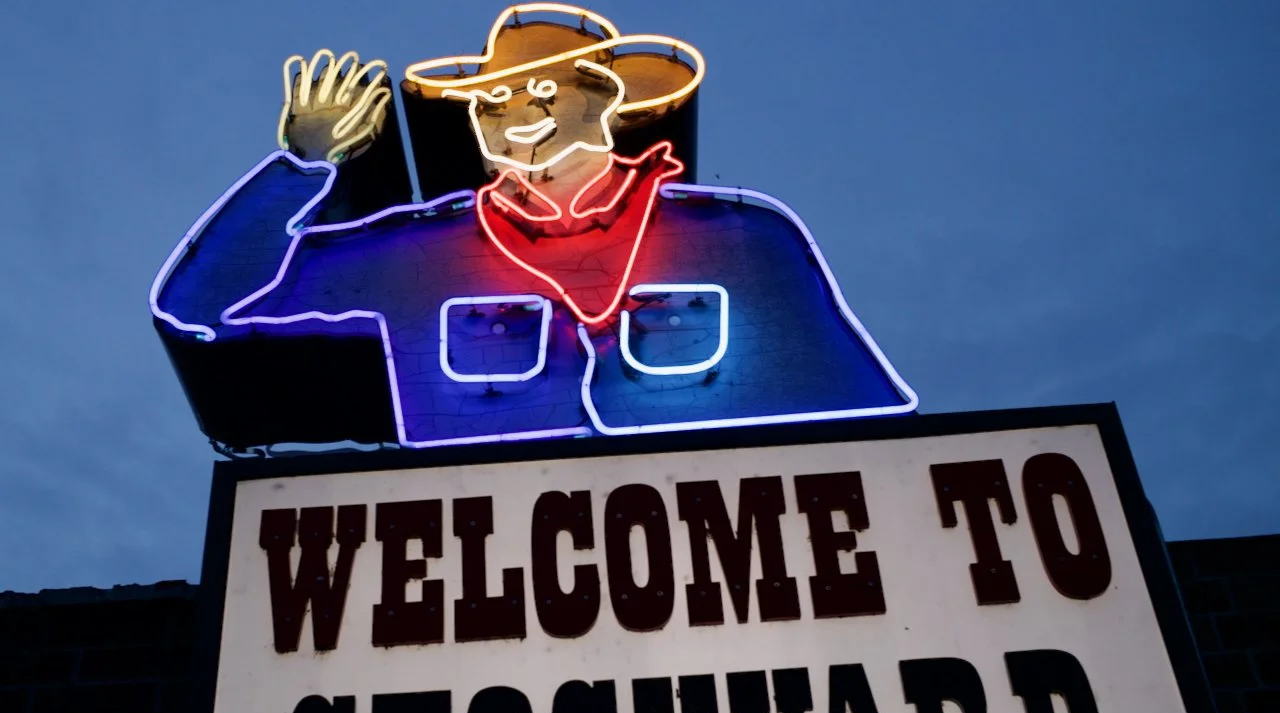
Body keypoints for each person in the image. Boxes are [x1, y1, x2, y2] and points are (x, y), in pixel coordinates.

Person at [151, 4, 917, 449]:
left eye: (544, 91)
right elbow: (203, 311)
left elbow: (871, 419)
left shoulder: (746, 239)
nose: (516, 118)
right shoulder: (414, 251)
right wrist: (303, 166)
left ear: (606, 98)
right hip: (481, 595)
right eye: (492, 103)